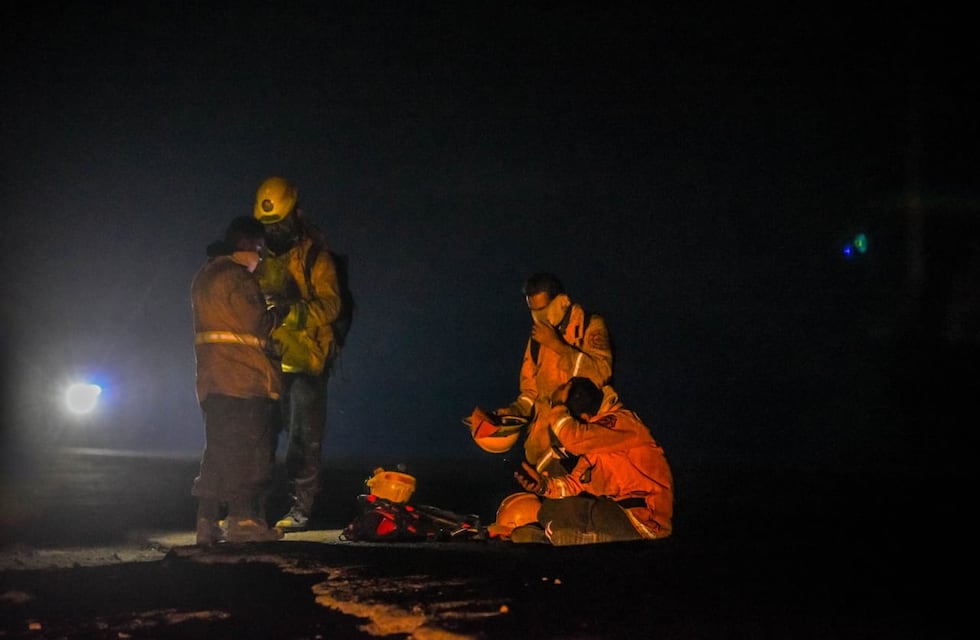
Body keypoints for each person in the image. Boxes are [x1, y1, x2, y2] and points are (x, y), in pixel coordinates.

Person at [252, 176, 343, 531]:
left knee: (303, 442)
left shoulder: (316, 257)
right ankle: (252, 510)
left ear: (296, 215)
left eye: (279, 222)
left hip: (307, 363)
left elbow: (332, 304)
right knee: (259, 439)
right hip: (268, 361)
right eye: (268, 224)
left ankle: (299, 510)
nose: (273, 230)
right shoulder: (258, 258)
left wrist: (291, 312)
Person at [191, 216, 287, 544]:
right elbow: (258, 323)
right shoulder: (236, 276)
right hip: (244, 380)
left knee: (217, 450)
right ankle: (243, 522)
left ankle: (206, 522)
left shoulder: (205, 275)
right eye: (259, 251)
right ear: (247, 246)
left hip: (213, 380)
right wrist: (281, 313)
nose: (260, 259)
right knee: (249, 452)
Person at [513, 376, 674, 545]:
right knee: (553, 508)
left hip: (643, 523)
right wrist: (543, 486)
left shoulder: (622, 422)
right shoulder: (596, 442)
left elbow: (574, 439)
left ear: (584, 417)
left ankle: (567, 538)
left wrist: (558, 406)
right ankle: (559, 536)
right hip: (617, 515)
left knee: (579, 509)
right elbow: (575, 484)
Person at [495, 273, 614, 476]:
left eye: (543, 310)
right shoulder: (536, 340)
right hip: (542, 450)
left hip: (578, 444)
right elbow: (529, 392)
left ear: (563, 301)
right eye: (533, 311)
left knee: (572, 504)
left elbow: (601, 372)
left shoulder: (589, 325)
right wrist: (515, 411)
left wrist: (556, 345)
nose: (539, 318)